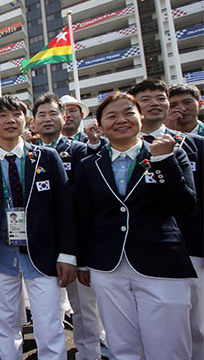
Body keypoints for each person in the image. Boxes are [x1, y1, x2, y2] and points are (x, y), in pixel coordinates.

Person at [75, 92, 197, 360]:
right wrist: (83, 262)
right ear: (100, 124)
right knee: (122, 346)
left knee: (168, 347)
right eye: (111, 116)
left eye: (128, 113)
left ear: (140, 117)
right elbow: (83, 217)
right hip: (108, 264)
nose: (121, 120)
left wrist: (164, 161)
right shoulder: (88, 165)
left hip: (161, 262)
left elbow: (184, 206)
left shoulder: (171, 154)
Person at [0, 95, 77, 360]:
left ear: (26, 120)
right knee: (5, 322)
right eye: (2, 116)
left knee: (48, 321)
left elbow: (64, 209)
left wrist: (67, 254)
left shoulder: (47, 157)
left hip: (42, 254)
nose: (10, 121)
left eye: (15, 114)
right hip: (0, 255)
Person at [129, 78, 204, 360]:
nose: (155, 104)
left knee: (196, 324)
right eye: (145, 99)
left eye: (160, 98)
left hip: (190, 247)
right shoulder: (120, 150)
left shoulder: (193, 145)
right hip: (139, 249)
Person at [32, 93, 104, 360]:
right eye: (42, 114)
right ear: (34, 122)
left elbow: (85, 203)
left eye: (53, 113)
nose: (48, 119)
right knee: (45, 311)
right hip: (39, 245)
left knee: (84, 310)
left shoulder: (79, 151)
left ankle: (89, 354)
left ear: (64, 118)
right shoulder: (29, 154)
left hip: (75, 244)